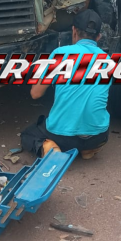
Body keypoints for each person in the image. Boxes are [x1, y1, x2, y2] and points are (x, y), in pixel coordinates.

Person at [20, 9, 110, 159]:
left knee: (28, 134)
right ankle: (88, 149)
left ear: (74, 31)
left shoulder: (60, 53)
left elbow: (36, 94)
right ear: (99, 36)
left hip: (63, 138)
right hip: (98, 136)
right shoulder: (108, 60)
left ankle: (51, 149)